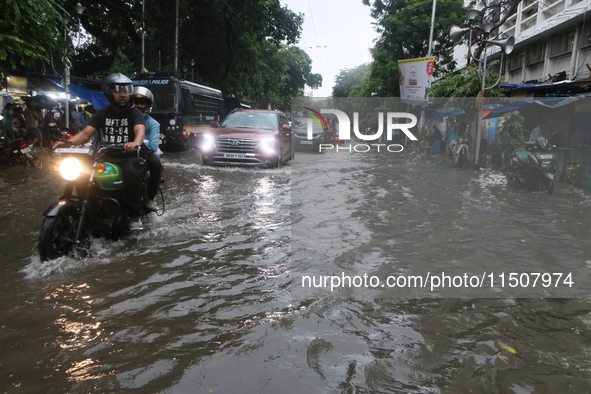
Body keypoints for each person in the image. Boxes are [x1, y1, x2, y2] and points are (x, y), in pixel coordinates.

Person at [53, 73, 147, 231]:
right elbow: (85, 134)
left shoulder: (134, 113)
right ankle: (86, 206)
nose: (123, 94)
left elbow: (140, 130)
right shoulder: (102, 113)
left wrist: (135, 143)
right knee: (82, 172)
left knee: (132, 172)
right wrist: (66, 143)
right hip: (105, 156)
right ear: (109, 93)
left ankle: (134, 214)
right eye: (118, 91)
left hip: (128, 157)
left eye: (126, 91)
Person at [133, 86, 162, 212]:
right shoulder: (126, 119)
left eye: (142, 103)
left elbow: (152, 146)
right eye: (136, 102)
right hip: (125, 153)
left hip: (145, 155)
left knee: (156, 163)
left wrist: (135, 143)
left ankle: (150, 198)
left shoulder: (153, 124)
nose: (139, 105)